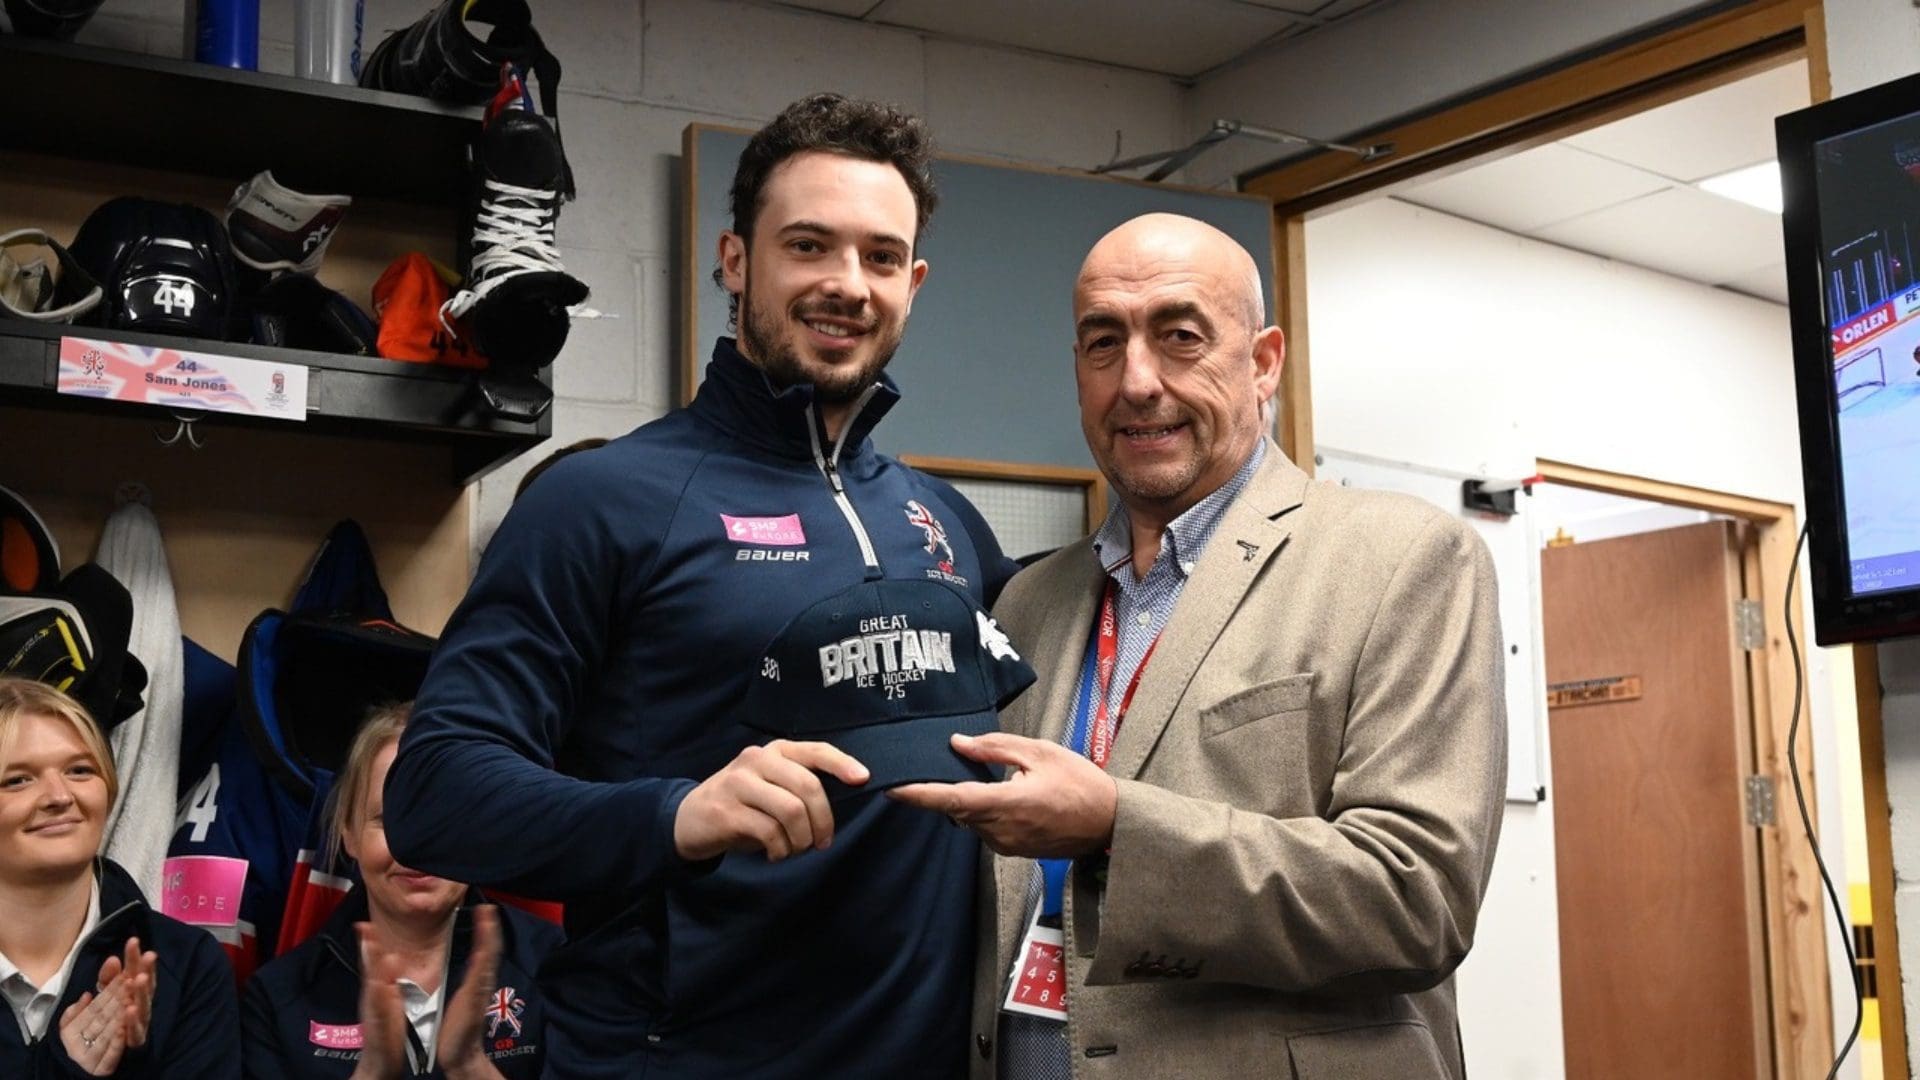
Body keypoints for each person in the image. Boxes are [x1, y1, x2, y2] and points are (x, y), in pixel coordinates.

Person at [382, 92, 1020, 1078]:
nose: (847, 283)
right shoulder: (604, 503)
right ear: (735, 261)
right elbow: (433, 792)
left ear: (914, 281)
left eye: (880, 257)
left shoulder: (951, 527)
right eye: (808, 245)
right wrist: (674, 816)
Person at [893, 213, 1508, 1079]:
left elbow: (1417, 898)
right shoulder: (1033, 599)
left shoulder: (1404, 559)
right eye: (1103, 344)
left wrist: (1116, 829)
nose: (1137, 381)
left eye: (1179, 337)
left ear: (1262, 363)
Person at [241, 704, 560, 1079]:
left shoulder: (556, 963)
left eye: (439, 819)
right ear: (349, 834)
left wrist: (471, 1067)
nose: (414, 847)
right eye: (389, 819)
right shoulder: (276, 999)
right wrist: (373, 1072)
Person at [0, 676, 238, 1079]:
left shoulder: (188, 965)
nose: (59, 796)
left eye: (79, 770)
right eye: (18, 779)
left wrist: (133, 1067)